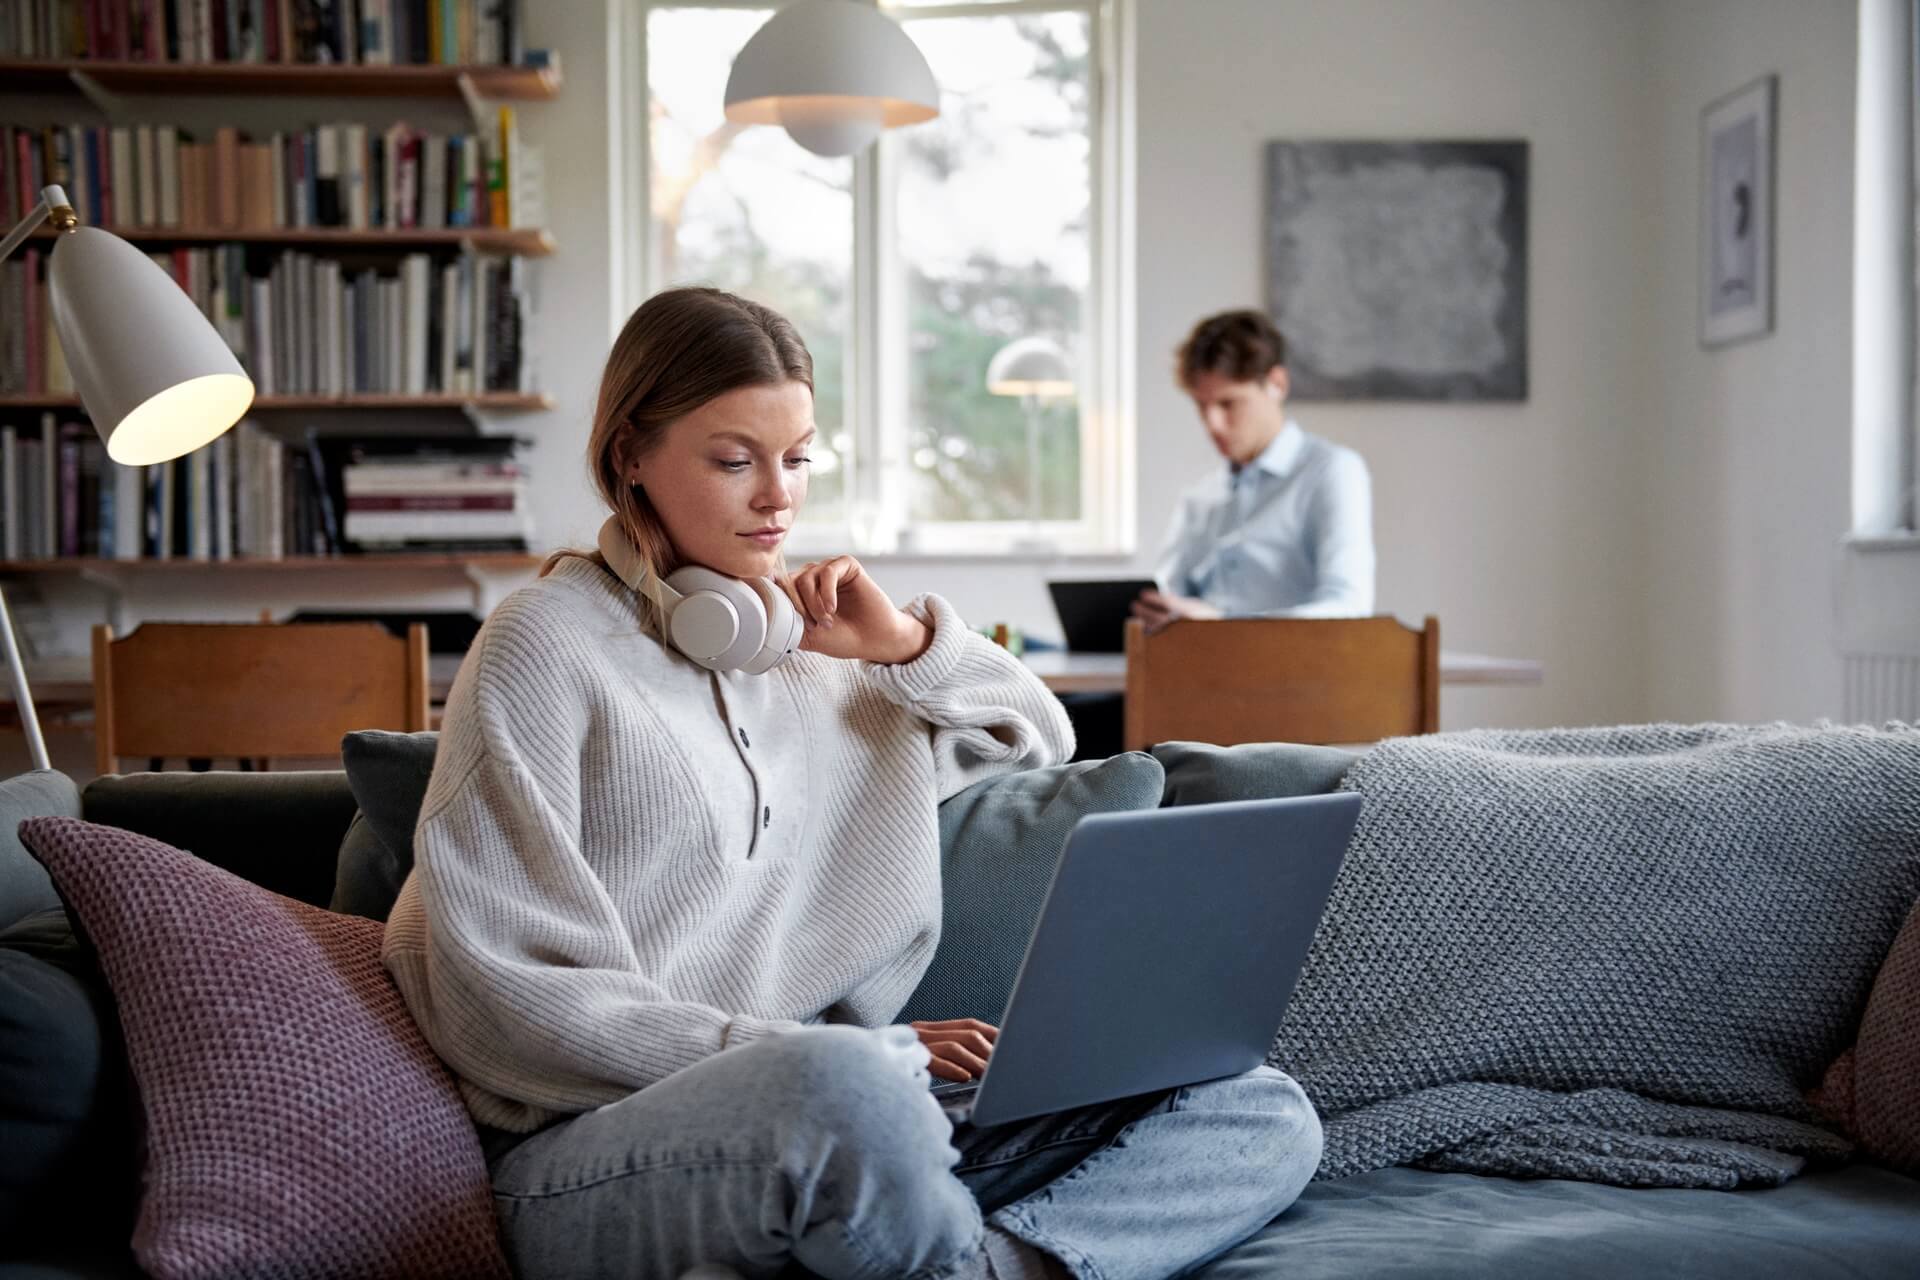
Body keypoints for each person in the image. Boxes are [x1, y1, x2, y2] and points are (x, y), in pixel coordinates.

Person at [382, 287, 1323, 1280]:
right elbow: (503, 996)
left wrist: (909, 645)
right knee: (835, 1083)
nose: (778, 496)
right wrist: (829, 1054)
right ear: (631, 457)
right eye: (734, 458)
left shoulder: (829, 658)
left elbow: (1044, 742)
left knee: (1254, 1101)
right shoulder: (543, 643)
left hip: (868, 1119)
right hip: (596, 1149)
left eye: (797, 456)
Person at [1134, 309, 1375, 634]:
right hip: (1192, 671)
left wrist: (1222, 627)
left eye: (1228, 404)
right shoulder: (1202, 494)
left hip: (1289, 675)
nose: (1212, 424)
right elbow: (1168, 597)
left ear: (1277, 384)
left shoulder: (1331, 472)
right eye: (1201, 406)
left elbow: (1349, 607)